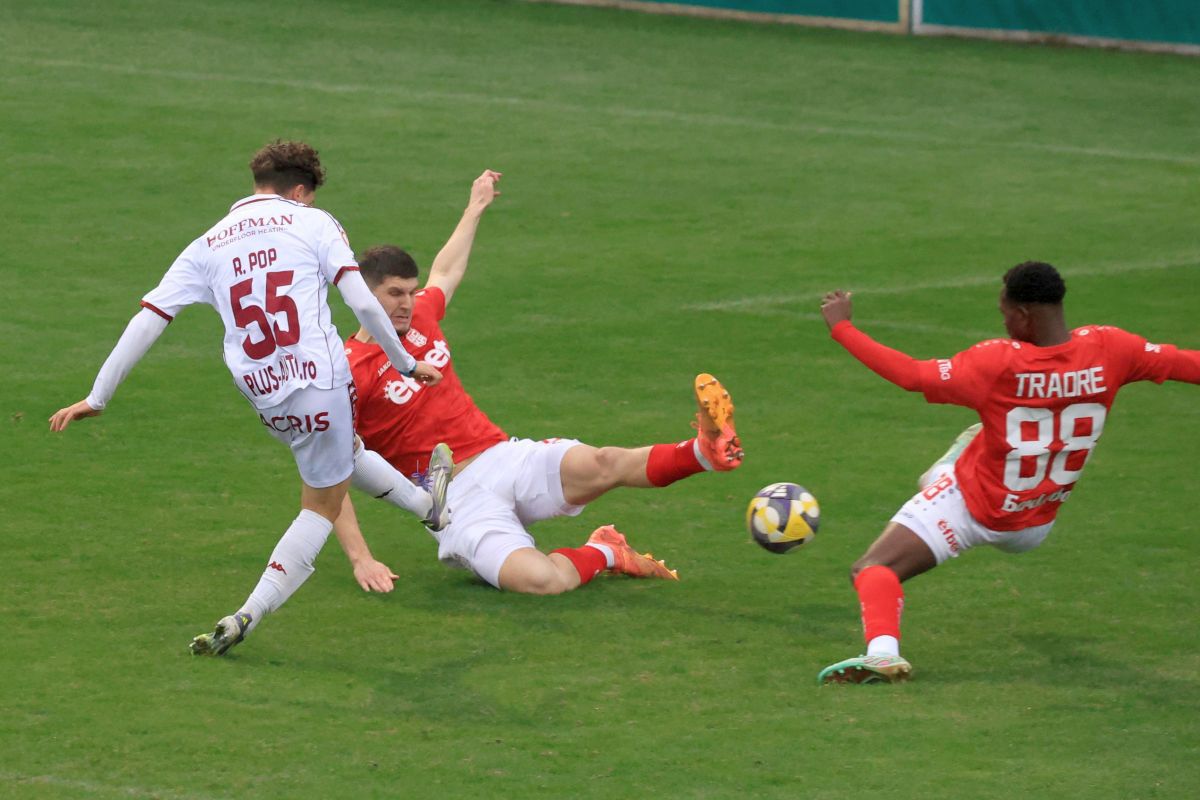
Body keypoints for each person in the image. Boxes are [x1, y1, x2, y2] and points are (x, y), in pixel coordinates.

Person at [50, 140, 452, 656]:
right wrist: (405, 362)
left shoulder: (208, 243)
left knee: (342, 453)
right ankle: (248, 613)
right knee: (321, 506)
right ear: (300, 191)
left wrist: (98, 396)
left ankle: (427, 508)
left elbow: (149, 318)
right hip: (321, 381)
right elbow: (360, 301)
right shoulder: (313, 222)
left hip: (264, 393)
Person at [334, 170, 744, 594]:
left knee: (605, 462)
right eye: (395, 294)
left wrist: (474, 208)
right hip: (453, 501)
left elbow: (447, 271)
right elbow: (328, 472)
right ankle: (605, 551)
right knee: (541, 582)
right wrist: (362, 559)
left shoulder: (420, 314)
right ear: (364, 298)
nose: (407, 304)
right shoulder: (348, 373)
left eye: (410, 292)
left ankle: (704, 452)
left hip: (503, 456)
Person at [816, 261, 1200, 684]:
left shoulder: (998, 363)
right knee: (983, 439)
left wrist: (842, 329)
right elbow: (1185, 363)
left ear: (1021, 315)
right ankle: (946, 470)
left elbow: (911, 375)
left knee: (873, 568)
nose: (1002, 320)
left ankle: (882, 654)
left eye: (1004, 312)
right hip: (1037, 519)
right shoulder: (1113, 348)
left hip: (976, 508)